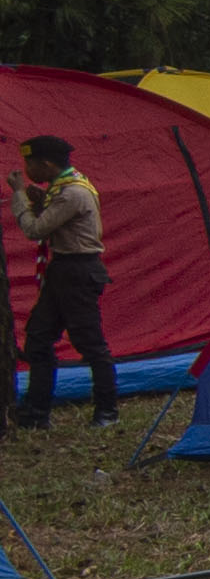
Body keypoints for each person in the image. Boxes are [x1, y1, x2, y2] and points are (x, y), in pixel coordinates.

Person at [11, 136, 117, 430]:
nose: (27, 169)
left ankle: (107, 410)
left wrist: (19, 196)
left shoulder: (72, 193)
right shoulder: (67, 185)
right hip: (63, 270)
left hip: (78, 272)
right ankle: (36, 411)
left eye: (30, 164)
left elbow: (35, 229)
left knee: (90, 344)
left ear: (46, 165)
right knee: (39, 337)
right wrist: (39, 198)